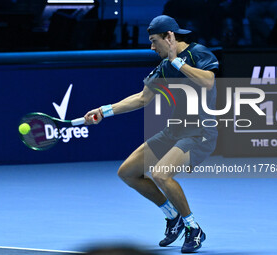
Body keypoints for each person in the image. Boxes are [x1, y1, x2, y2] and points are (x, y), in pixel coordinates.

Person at [84, 15, 219, 253]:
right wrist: (104, 111)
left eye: (154, 40)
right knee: (128, 172)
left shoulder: (199, 53)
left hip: (200, 133)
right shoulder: (164, 67)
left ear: (169, 37)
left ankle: (193, 227)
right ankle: (172, 215)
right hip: (174, 131)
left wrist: (178, 63)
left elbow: (208, 81)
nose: (151, 47)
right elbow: (142, 98)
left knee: (161, 174)